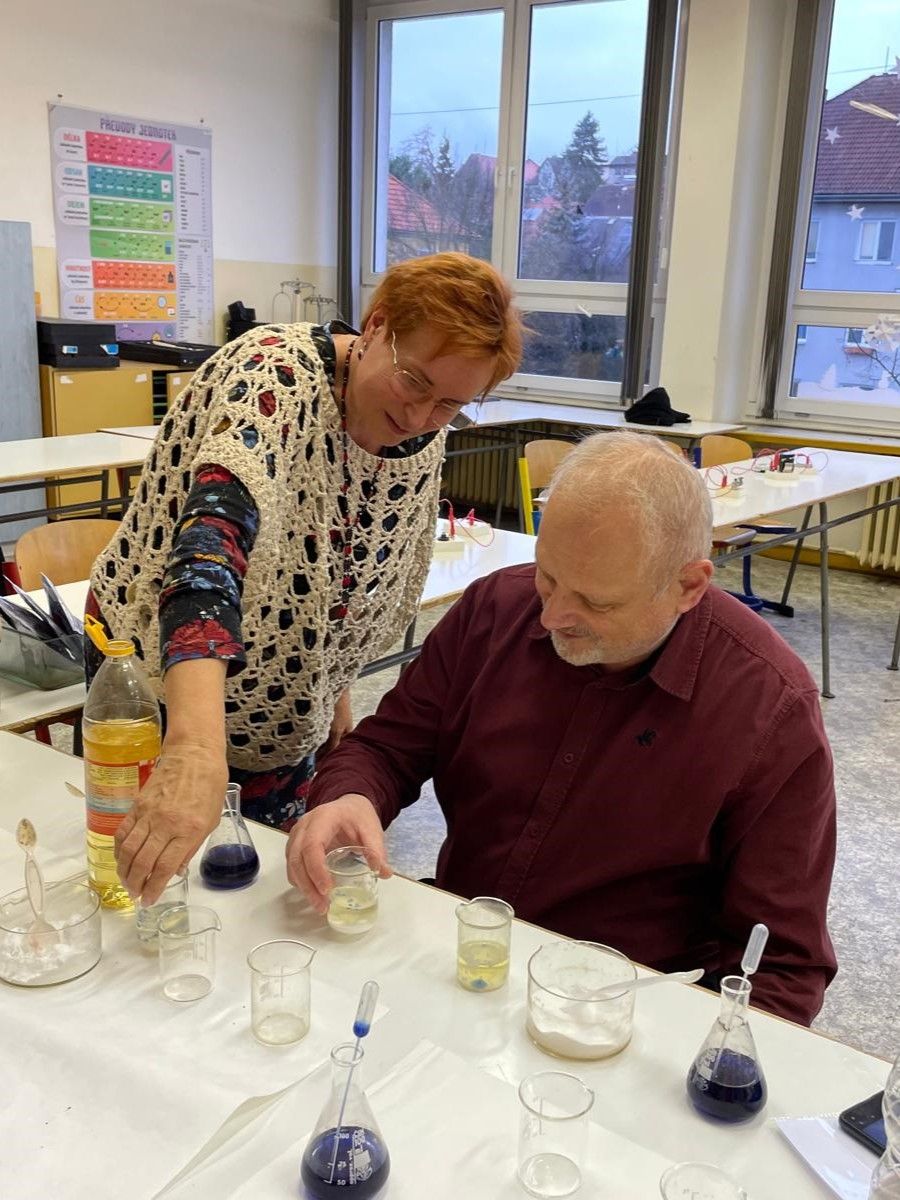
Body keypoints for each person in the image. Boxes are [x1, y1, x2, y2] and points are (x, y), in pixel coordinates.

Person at [287, 431, 838, 1026]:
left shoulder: (768, 709)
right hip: (467, 955)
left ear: (688, 587)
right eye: (548, 577)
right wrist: (348, 795)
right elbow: (386, 746)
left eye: (596, 603)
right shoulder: (496, 609)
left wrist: (719, 1055)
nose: (551, 617)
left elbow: (779, 965)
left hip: (621, 1009)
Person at [86, 252, 523, 906]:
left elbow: (344, 571)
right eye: (413, 381)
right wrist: (195, 749)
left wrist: (332, 685)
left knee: (255, 896)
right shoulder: (270, 378)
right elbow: (206, 561)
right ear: (376, 326)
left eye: (450, 404)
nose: (419, 416)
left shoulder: (418, 433)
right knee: (153, 875)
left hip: (282, 688)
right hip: (157, 662)